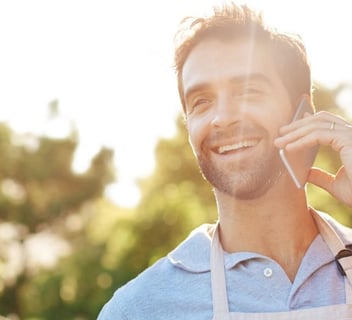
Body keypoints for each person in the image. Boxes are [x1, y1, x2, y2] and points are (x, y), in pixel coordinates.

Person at [98, 3, 352, 319]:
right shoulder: (139, 309)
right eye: (201, 102)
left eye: (247, 91)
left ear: (304, 114)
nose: (222, 118)